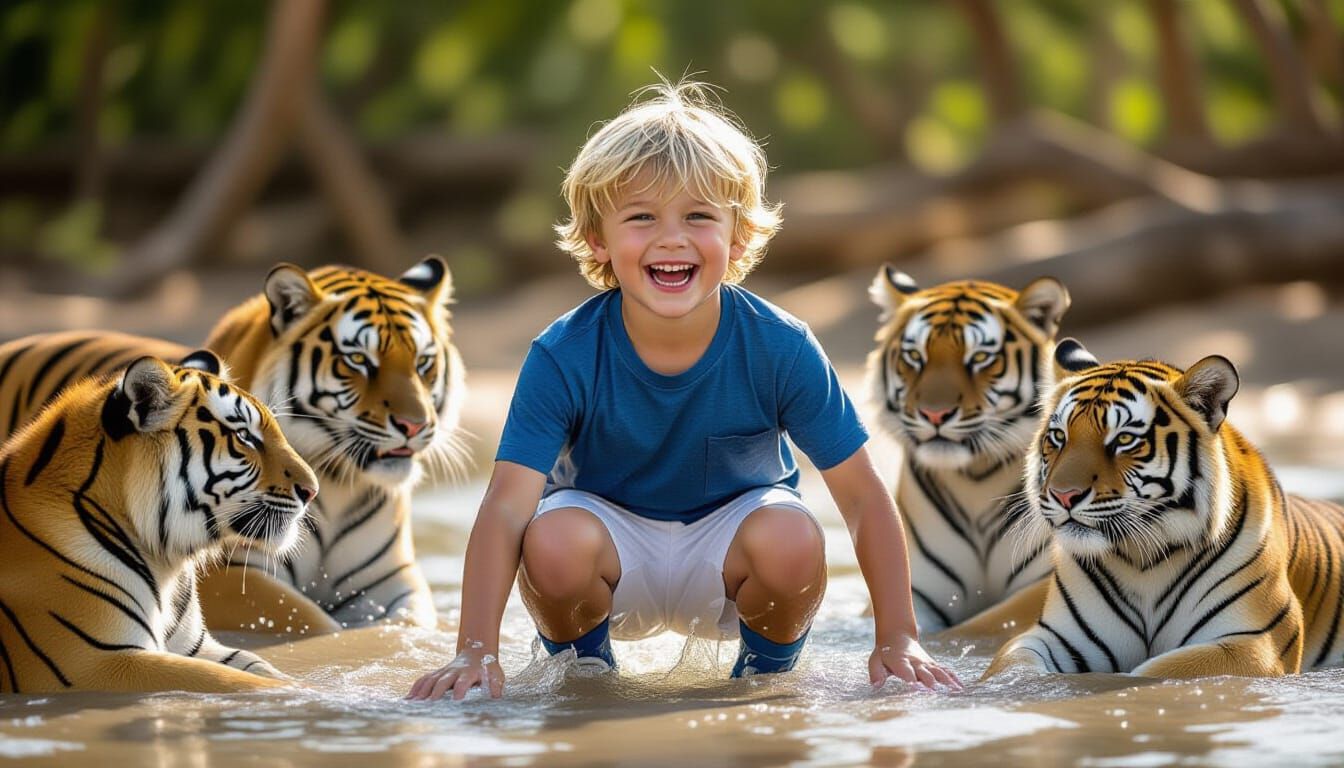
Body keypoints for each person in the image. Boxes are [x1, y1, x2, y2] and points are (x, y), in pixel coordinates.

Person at [407, 80, 962, 701]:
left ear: (739, 236)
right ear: (597, 239)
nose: (671, 238)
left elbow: (862, 498)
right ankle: (585, 681)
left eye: (699, 216)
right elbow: (507, 506)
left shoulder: (781, 346)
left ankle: (765, 682)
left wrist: (898, 638)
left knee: (792, 538)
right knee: (553, 540)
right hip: (606, 546)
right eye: (641, 217)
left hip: (731, 550)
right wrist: (474, 651)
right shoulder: (562, 354)